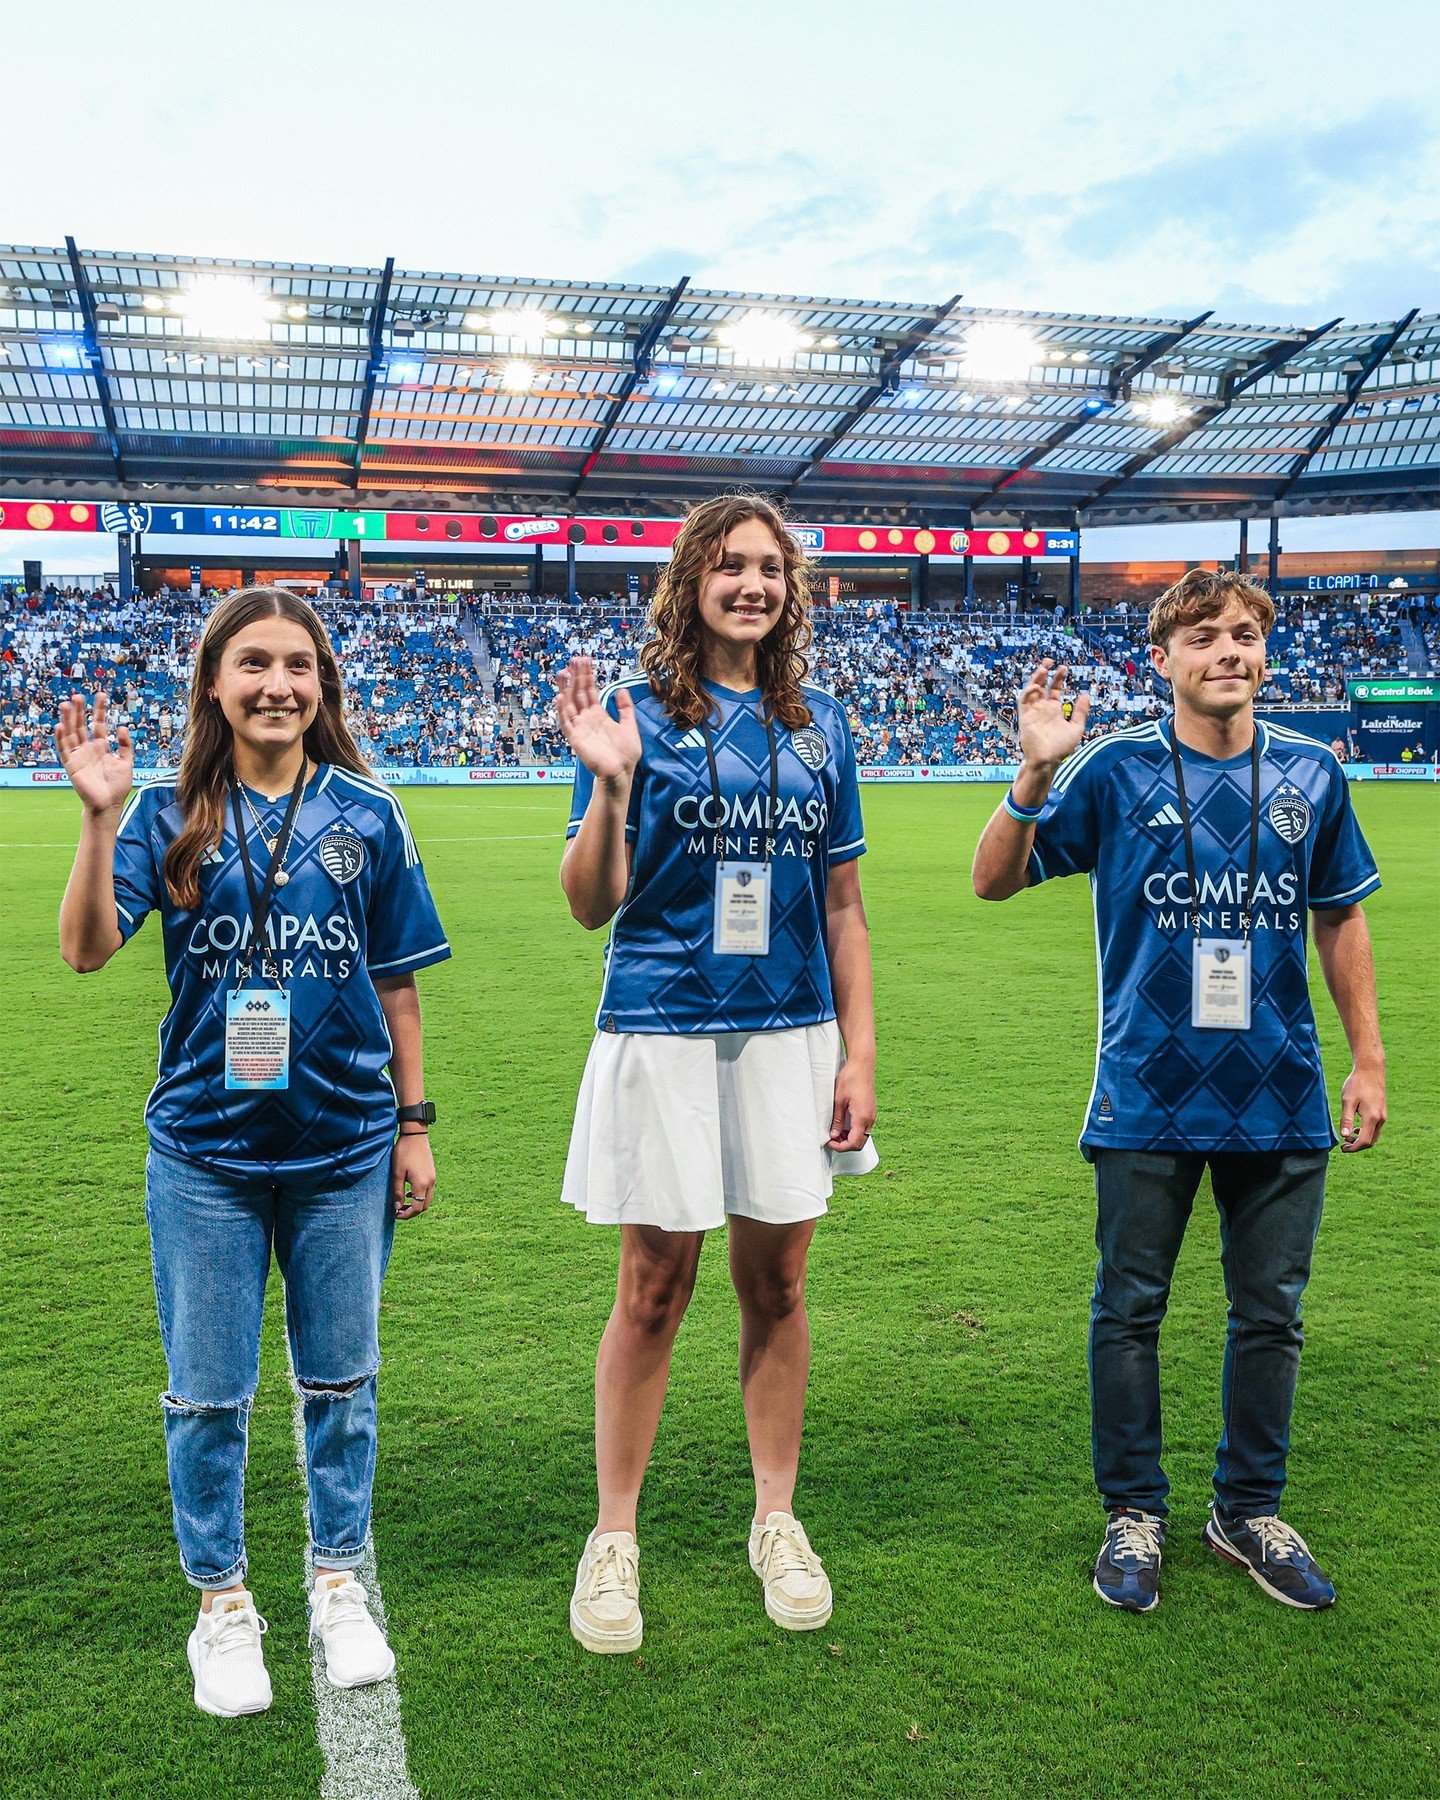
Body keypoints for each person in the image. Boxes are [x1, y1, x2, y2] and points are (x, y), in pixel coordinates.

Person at [55, 588, 450, 1717]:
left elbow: (397, 983)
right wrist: (94, 820)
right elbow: (87, 951)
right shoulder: (165, 810)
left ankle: (337, 1581)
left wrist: (413, 1127)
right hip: (205, 1153)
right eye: (254, 664)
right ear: (215, 684)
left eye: (299, 665)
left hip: (344, 1144)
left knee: (343, 1381)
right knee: (210, 1394)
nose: (279, 684)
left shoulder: (368, 812)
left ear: (322, 685)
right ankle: (221, 1605)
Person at [972, 569, 1385, 1615]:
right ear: (1162, 659)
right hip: (1146, 1089)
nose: (1228, 653)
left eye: (1244, 635)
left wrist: (1368, 1058)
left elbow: (1339, 918)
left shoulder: (1312, 774)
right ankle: (1133, 1513)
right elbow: (993, 879)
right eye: (1203, 638)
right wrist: (1031, 774)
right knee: (1130, 1309)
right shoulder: (1111, 772)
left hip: (1281, 1091)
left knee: (1272, 1316)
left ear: (1264, 652)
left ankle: (1247, 1511)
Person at [555, 494, 877, 1653]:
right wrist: (610, 785)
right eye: (730, 565)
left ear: (790, 589)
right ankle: (615, 1537)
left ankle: (775, 1519)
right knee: (653, 1285)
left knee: (778, 1283)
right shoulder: (632, 717)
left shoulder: (823, 724)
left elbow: (843, 903)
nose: (751, 584)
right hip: (663, 1024)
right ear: (691, 580)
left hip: (792, 1033)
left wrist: (861, 1052)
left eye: (770, 568)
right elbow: (592, 903)